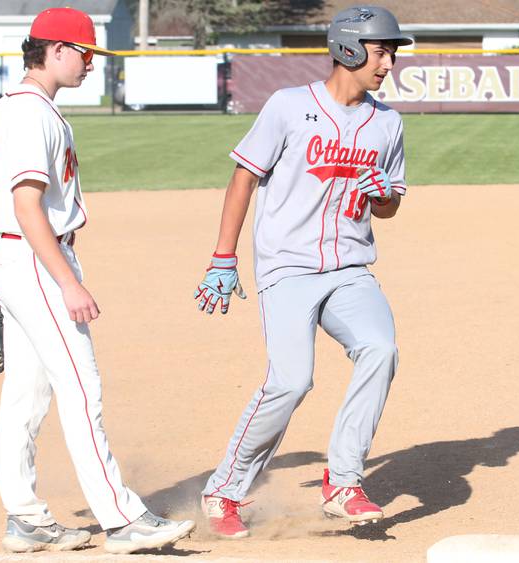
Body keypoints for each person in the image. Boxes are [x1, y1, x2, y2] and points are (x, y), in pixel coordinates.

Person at [0, 7, 195, 554]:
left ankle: (25, 517)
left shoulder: (14, 109)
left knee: (25, 396)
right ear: (54, 50)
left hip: (17, 260)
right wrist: (67, 283)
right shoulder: (32, 115)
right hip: (38, 260)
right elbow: (25, 205)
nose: (89, 65)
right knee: (81, 385)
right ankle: (123, 519)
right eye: (84, 53)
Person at [193, 5, 411, 538]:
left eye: (392, 52)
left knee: (380, 349)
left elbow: (390, 207)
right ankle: (225, 490)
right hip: (287, 268)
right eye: (382, 50)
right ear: (350, 49)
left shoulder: (388, 122)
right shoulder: (288, 107)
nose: (389, 63)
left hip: (350, 267)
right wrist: (224, 255)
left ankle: (343, 481)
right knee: (291, 382)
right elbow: (244, 178)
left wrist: (383, 196)